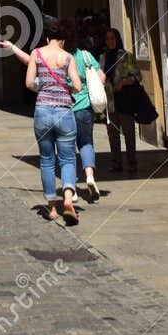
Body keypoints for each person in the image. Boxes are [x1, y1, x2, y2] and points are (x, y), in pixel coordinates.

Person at [14, 17, 82, 223]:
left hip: (43, 111)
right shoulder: (68, 57)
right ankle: (68, 200)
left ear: (47, 37)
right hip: (64, 111)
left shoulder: (36, 53)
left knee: (46, 159)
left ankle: (52, 208)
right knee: (68, 158)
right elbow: (78, 86)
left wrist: (42, 87)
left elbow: (28, 83)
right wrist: (65, 87)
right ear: (62, 40)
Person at [70, 33, 106, 203]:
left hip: (66, 108)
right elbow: (102, 77)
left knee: (67, 148)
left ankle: (72, 188)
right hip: (84, 107)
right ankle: (90, 176)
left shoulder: (60, 58)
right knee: (86, 142)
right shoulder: (85, 55)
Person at [100, 27, 141, 175]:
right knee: (113, 134)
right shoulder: (103, 58)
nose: (110, 41)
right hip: (110, 102)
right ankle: (116, 162)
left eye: (113, 38)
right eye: (107, 39)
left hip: (125, 100)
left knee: (129, 133)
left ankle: (132, 163)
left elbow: (137, 76)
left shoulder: (126, 56)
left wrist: (123, 82)